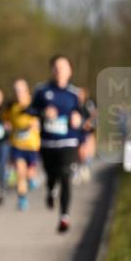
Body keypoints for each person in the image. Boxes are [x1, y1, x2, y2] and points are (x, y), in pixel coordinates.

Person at [29, 55, 83, 234]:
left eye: (63, 67)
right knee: (52, 175)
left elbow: (83, 115)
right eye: (56, 67)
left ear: (70, 71)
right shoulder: (42, 90)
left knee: (66, 176)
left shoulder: (74, 94)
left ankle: (64, 216)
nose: (59, 70)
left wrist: (78, 119)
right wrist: (43, 113)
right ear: (52, 70)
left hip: (68, 141)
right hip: (48, 143)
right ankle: (51, 190)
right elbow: (31, 109)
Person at [3, 79, 41, 211]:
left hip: (32, 146)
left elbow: (43, 117)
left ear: (27, 91)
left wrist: (36, 125)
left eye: (21, 90)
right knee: (20, 173)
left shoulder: (34, 104)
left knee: (30, 174)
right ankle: (22, 199)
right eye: (16, 91)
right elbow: (5, 121)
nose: (18, 93)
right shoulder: (11, 107)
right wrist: (6, 126)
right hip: (17, 145)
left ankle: (31, 180)